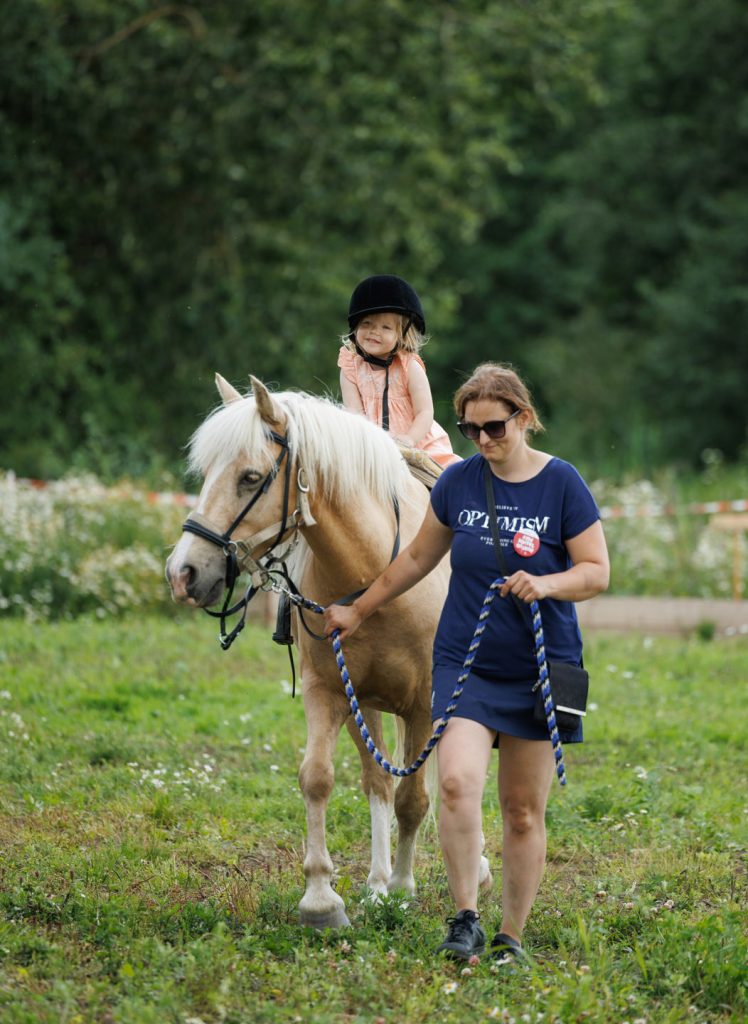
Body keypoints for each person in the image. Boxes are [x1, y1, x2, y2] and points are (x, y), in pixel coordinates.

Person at [323, 362, 609, 961]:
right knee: (454, 784)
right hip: (465, 663)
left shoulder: (563, 484)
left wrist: (547, 584)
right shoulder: (457, 484)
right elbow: (416, 560)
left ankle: (511, 936)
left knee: (523, 812)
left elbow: (596, 572)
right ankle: (465, 919)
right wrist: (358, 609)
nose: (482, 440)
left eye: (494, 428)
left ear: (523, 419)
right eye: (470, 429)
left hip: (540, 665)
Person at [339, 274, 460, 468]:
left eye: (385, 327)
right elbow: (355, 415)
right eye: (366, 324)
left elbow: (425, 411)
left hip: (417, 442)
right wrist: (372, 444)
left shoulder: (409, 366)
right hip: (371, 446)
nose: (373, 331)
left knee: (447, 482)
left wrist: (408, 440)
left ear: (402, 334)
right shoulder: (350, 366)